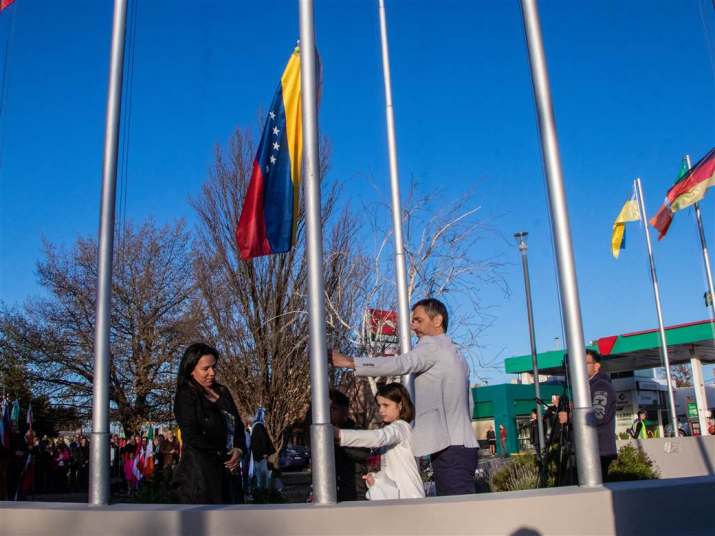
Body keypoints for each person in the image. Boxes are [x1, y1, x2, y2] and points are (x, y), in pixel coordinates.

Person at [332, 298, 478, 496]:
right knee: (462, 510)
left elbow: (401, 364)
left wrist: (350, 362)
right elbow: (469, 403)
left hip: (449, 449)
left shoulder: (431, 347)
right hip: (463, 447)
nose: (412, 326)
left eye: (418, 320)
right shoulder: (457, 355)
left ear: (437, 320)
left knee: (458, 515)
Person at [171, 342, 246, 504]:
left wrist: (239, 449)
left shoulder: (223, 392)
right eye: (205, 369)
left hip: (229, 479)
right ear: (191, 370)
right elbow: (192, 436)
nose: (212, 373)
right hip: (200, 480)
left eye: (214, 367)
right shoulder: (185, 395)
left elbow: (238, 426)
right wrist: (223, 455)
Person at [337, 383, 425, 500]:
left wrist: (339, 434)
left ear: (400, 405)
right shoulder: (396, 429)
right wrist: (375, 479)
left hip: (409, 498)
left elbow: (379, 437)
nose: (381, 410)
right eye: (379, 405)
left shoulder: (400, 428)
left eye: (386, 405)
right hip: (401, 499)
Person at [330, 389, 369, 501]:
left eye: (333, 409)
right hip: (332, 494)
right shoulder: (323, 434)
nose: (329, 412)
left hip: (355, 494)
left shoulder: (356, 431)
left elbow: (364, 453)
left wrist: (338, 443)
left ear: (345, 411)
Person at [586, 350, 616, 482]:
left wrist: (571, 417)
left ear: (597, 366)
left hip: (599, 450)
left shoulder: (601, 386)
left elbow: (598, 415)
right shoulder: (587, 387)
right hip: (590, 449)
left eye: (586, 363)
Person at [250, 408, 275, 494]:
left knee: (259, 474)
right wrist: (264, 452)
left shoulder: (255, 426)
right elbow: (263, 440)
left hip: (257, 455)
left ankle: (260, 492)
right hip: (260, 456)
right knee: (262, 475)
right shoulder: (259, 426)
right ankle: (263, 493)